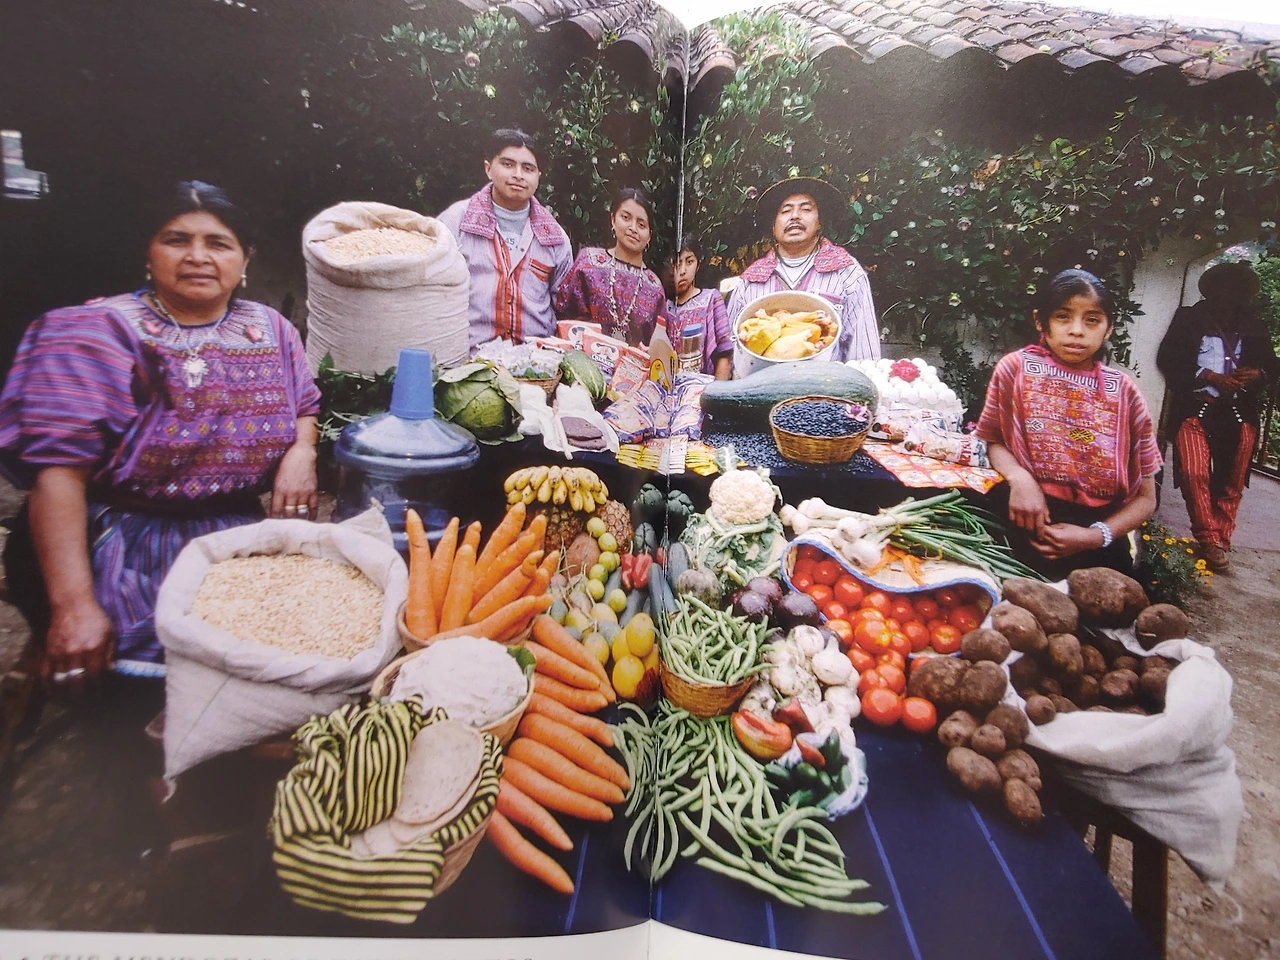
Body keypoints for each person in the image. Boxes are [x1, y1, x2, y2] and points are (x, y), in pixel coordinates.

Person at [0, 180, 321, 683]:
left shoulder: (270, 328)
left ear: (245, 260)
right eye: (177, 240)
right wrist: (72, 607)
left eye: (218, 243)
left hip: (231, 537)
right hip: (116, 542)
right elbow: (57, 476)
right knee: (142, 693)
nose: (198, 256)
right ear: (148, 255)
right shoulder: (92, 332)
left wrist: (302, 451)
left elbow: (305, 405)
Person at [975, 269, 1161, 580]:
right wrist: (1021, 479)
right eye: (1063, 317)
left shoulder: (1124, 393)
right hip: (1021, 520)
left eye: (1092, 320)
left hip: (1097, 540)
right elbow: (994, 440)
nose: (1076, 331)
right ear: (1040, 321)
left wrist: (1094, 537)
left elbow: (1146, 498)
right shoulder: (1016, 370)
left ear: (1108, 329)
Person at [1156, 261, 1278, 571]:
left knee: (1234, 480)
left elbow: (1271, 366)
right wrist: (1209, 376)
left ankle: (1220, 540)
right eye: (1224, 288)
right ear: (1211, 290)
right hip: (1197, 406)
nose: (1230, 295)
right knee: (1193, 472)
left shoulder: (1254, 325)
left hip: (1239, 411)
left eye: (1238, 290)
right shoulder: (1188, 319)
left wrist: (1258, 373)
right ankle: (1208, 536)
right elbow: (1168, 358)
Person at [437, 128, 573, 350]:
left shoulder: (555, 237)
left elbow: (565, 309)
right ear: (488, 169)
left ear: (538, 176)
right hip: (467, 359)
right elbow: (434, 291)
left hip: (536, 363)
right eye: (508, 164)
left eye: (528, 168)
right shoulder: (456, 221)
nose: (518, 175)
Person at [726, 177, 880, 363]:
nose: (795, 216)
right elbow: (730, 349)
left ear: (820, 221)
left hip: (826, 380)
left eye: (806, 209)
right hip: (760, 380)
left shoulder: (847, 273)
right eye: (785, 211)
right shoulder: (751, 280)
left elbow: (863, 353)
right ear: (773, 226)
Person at [554, 187, 668, 347]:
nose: (633, 228)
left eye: (641, 224)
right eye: (626, 218)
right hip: (583, 358)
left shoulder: (654, 288)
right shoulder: (588, 264)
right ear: (613, 219)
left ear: (649, 235)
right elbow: (565, 318)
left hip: (633, 363)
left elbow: (657, 345)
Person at [665, 234, 733, 379]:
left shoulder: (711, 299)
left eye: (689, 262)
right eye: (677, 263)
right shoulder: (664, 306)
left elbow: (725, 352)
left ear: (698, 265)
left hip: (703, 388)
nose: (682, 270)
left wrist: (717, 391)